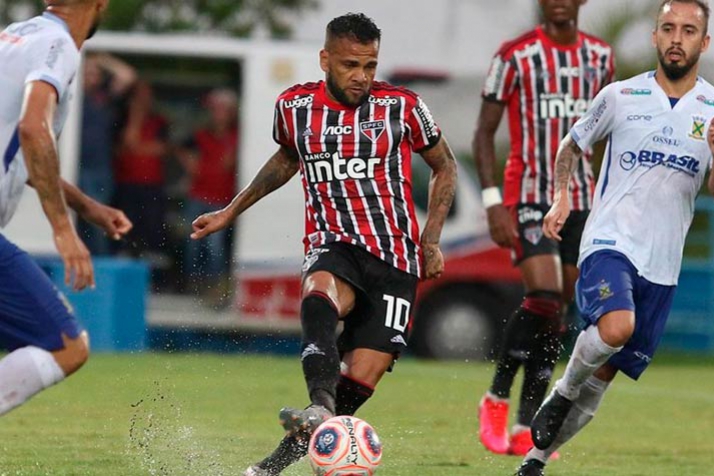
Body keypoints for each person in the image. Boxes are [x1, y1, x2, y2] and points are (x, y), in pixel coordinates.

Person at [188, 13, 457, 476]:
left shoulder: (404, 107)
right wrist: (230, 211)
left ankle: (272, 464)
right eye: (351, 64)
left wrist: (430, 239)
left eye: (370, 65)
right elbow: (287, 158)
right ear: (325, 59)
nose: (362, 76)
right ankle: (317, 404)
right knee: (321, 292)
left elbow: (445, 166)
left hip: (394, 258)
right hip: (334, 242)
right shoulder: (294, 107)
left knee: (358, 383)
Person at [517, 1, 714, 474]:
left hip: (662, 265)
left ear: (704, 42)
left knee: (603, 377)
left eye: (688, 30)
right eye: (667, 28)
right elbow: (572, 144)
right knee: (614, 329)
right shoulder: (619, 96)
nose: (676, 38)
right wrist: (561, 198)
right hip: (610, 242)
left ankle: (534, 463)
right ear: (655, 37)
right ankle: (560, 391)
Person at [474, 0, 614, 457]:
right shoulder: (513, 55)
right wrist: (493, 201)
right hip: (528, 194)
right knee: (544, 295)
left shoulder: (600, 57)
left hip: (583, 200)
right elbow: (484, 132)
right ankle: (495, 398)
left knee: (557, 315)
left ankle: (527, 422)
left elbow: (613, 131)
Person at [0, 0, 133, 416]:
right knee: (65, 344)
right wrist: (62, 228)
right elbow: (33, 129)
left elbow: (24, 156)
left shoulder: (14, 36)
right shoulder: (58, 44)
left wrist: (86, 206)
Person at [178, 88, 239, 304]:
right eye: (214, 109)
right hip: (198, 195)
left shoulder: (236, 137)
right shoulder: (200, 135)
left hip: (222, 200)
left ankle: (216, 287)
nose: (217, 114)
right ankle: (194, 284)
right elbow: (180, 148)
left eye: (222, 109)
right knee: (193, 244)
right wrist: (191, 165)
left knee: (214, 247)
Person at [77, 52, 136, 256]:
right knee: (74, 220)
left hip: (99, 169)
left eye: (94, 73)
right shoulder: (72, 96)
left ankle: (100, 264)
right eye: (86, 72)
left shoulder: (105, 98)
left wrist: (99, 58)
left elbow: (127, 76)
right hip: (72, 168)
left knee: (100, 221)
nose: (89, 76)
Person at [113, 80, 169, 260]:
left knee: (152, 225)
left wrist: (135, 147)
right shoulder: (122, 119)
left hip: (152, 182)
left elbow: (161, 149)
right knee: (128, 224)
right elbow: (126, 144)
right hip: (127, 181)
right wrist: (135, 117)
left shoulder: (160, 121)